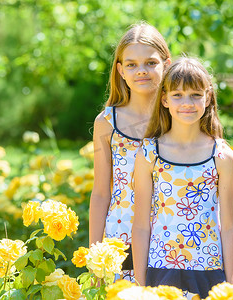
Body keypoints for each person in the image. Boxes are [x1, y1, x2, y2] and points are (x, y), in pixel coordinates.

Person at [132, 56, 233, 299]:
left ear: (208, 97)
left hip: (209, 272)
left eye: (195, 95)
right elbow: (140, 226)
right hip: (160, 270)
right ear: (165, 99)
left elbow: (231, 226)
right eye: (178, 95)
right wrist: (140, 286)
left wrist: (231, 287)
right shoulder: (149, 153)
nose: (187, 103)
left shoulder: (222, 156)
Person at [89, 22, 171, 282]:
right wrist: (95, 256)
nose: (141, 71)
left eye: (151, 63)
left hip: (172, 238)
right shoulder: (106, 123)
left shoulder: (181, 118)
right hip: (120, 238)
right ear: (121, 70)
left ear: (166, 64)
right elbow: (102, 192)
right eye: (132, 64)